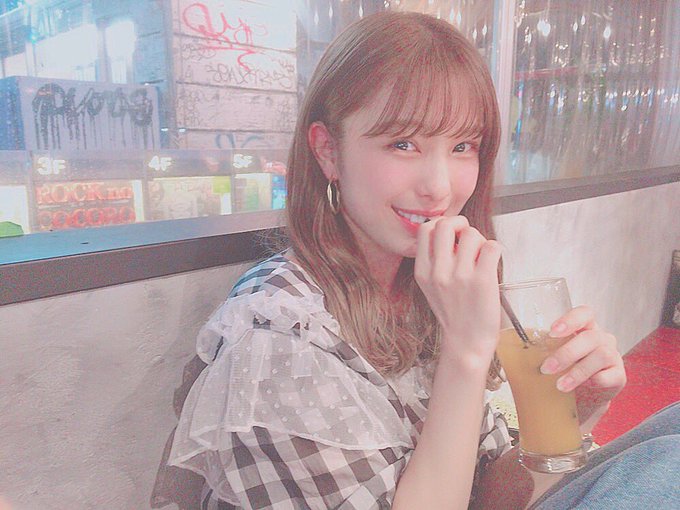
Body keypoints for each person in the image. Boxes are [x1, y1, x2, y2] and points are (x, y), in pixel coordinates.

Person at [168, 11, 679, 509]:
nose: (438, 187)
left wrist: (575, 408)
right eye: (403, 143)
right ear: (328, 151)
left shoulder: (427, 288)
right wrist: (466, 352)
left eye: (463, 146)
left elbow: (484, 495)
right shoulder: (279, 342)